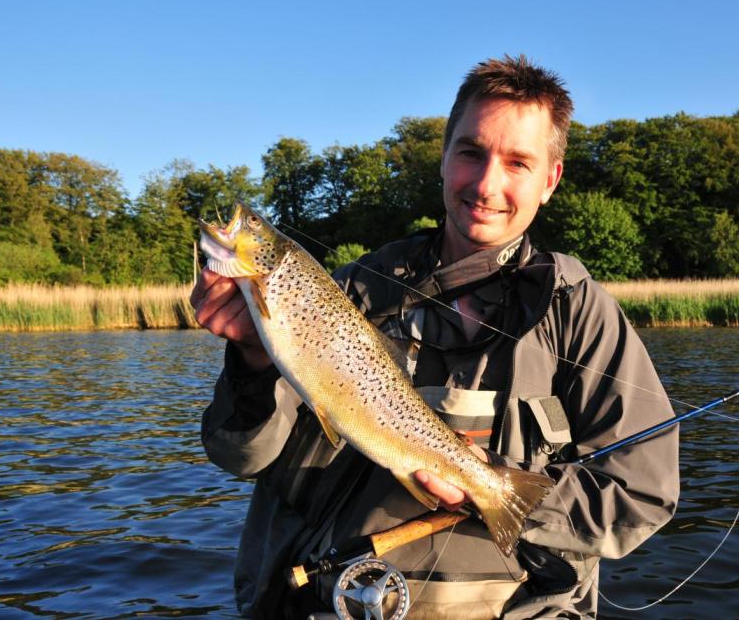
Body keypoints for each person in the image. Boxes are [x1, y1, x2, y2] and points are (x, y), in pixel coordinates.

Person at [191, 55, 679, 619]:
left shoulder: (581, 314)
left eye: (518, 162)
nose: (487, 183)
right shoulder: (343, 296)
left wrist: (496, 493)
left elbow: (643, 494)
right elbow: (243, 459)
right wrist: (251, 357)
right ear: (443, 159)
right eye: (471, 152)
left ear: (550, 180)